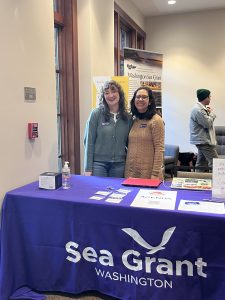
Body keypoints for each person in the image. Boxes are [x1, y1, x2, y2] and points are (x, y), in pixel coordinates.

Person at [84, 80, 133, 177]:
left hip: (119, 165)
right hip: (98, 165)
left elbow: (130, 143)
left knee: (117, 191)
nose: (110, 95)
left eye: (113, 91)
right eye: (106, 93)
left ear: (120, 94)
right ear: (103, 97)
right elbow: (89, 142)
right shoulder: (96, 114)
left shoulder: (127, 118)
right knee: (98, 191)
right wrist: (88, 168)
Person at [125, 86, 165, 179]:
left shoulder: (156, 120)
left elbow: (159, 149)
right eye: (138, 97)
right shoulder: (133, 119)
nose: (140, 99)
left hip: (149, 173)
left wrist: (155, 174)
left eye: (144, 97)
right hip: (131, 172)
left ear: (150, 101)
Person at [190, 88, 218, 171]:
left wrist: (208, 113)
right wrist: (212, 114)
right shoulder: (198, 109)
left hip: (202, 140)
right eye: (209, 96)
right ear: (205, 98)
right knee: (215, 162)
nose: (210, 98)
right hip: (203, 141)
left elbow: (205, 121)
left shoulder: (201, 109)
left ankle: (198, 180)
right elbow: (207, 124)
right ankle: (219, 182)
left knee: (201, 163)